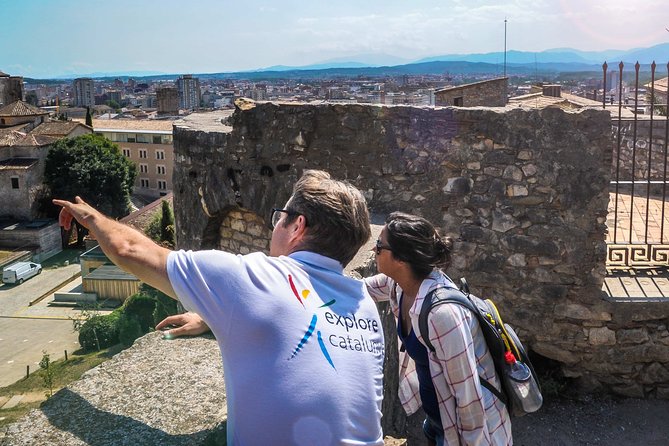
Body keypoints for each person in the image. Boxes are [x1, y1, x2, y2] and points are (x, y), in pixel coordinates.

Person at [54, 170, 385, 446]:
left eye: (279, 218)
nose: (274, 227)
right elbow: (299, 330)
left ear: (297, 226)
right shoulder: (363, 304)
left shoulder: (254, 278)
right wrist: (214, 317)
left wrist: (92, 217)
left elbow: (129, 249)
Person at [365, 212, 511, 446]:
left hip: (469, 432)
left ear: (401, 259)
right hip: (438, 418)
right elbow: (360, 289)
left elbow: (468, 394)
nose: (373, 249)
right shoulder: (401, 284)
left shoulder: (442, 315)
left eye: (379, 245)